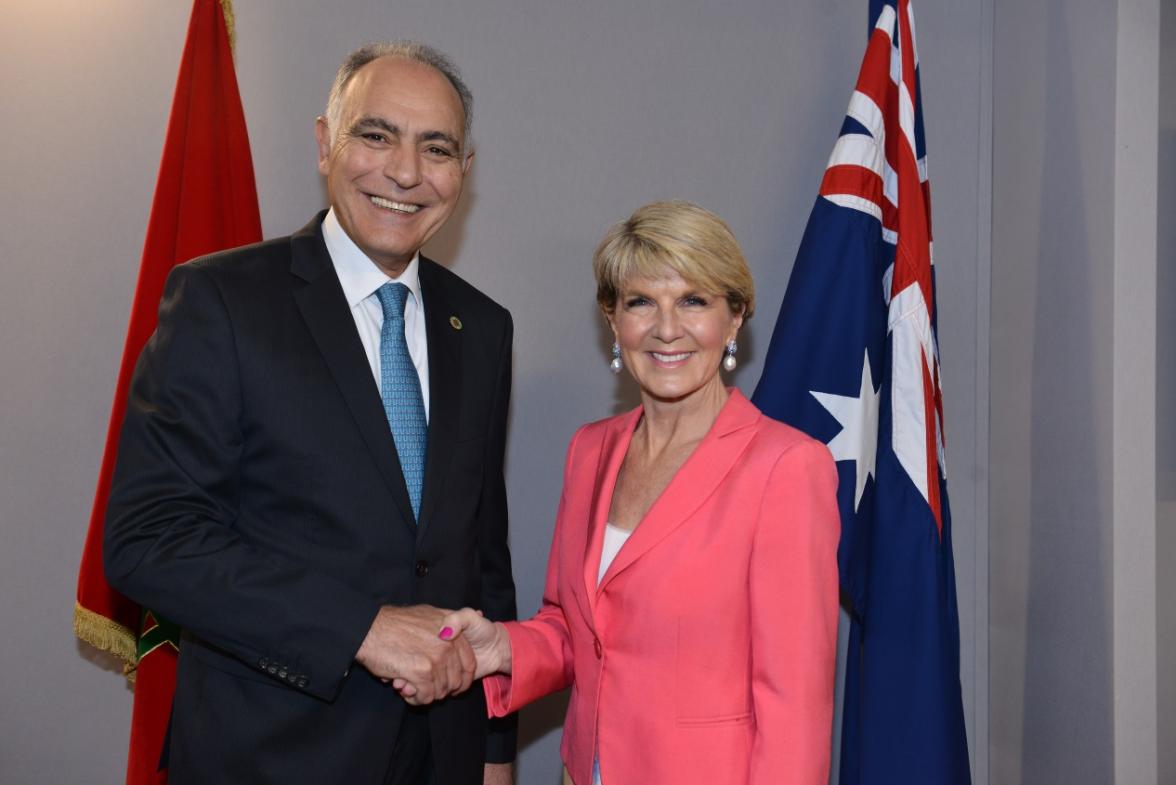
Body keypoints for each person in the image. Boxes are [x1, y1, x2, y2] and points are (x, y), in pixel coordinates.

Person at [103, 42, 516, 785]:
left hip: (440, 760)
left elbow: (483, 560)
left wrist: (493, 749)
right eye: (376, 134)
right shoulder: (222, 302)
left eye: (436, 148)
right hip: (270, 754)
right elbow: (150, 540)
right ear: (325, 143)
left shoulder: (482, 329)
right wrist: (361, 627)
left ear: (465, 171)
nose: (404, 172)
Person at [436, 201, 841, 785]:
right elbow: (578, 631)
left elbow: (795, 706)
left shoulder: (786, 467)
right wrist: (499, 647)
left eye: (694, 301)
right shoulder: (590, 450)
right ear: (613, 321)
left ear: (734, 320)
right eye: (641, 302)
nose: (667, 328)